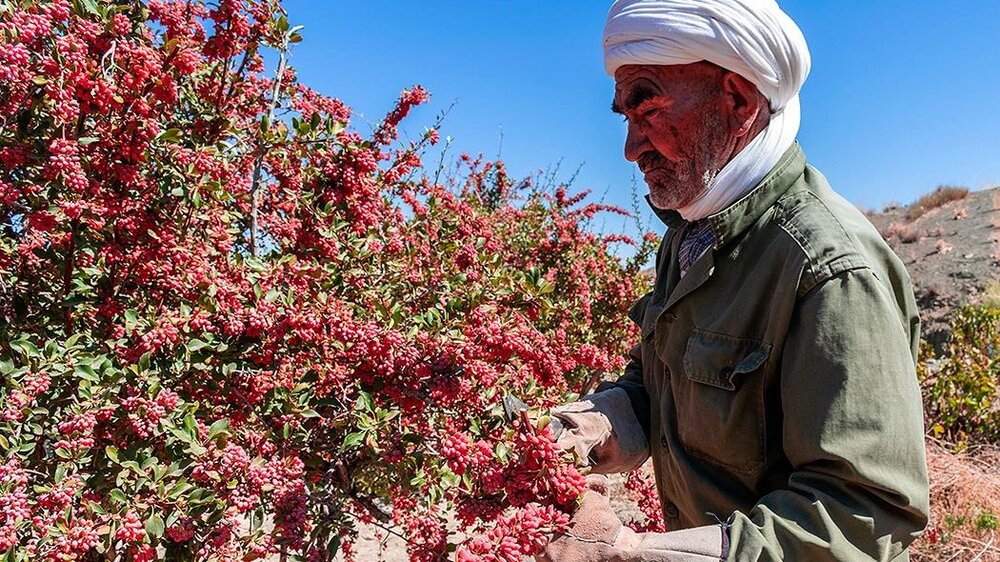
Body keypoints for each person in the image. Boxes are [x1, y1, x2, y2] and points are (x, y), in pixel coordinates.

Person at [542, 1, 930, 560]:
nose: (631, 148)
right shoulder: (693, 235)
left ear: (738, 99)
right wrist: (602, 421)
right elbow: (669, 384)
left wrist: (634, 554)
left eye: (646, 106)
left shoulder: (828, 269)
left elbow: (864, 516)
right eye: (625, 118)